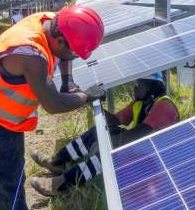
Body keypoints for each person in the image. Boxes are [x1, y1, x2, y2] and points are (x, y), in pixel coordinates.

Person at [0, 5, 106, 210]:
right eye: (73, 52)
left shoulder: (52, 22)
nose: (71, 58)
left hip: (2, 112)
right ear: (60, 40)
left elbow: (63, 55)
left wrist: (67, 82)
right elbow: (54, 104)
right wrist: (85, 96)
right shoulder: (30, 53)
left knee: (13, 170)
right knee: (5, 177)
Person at [29, 72, 180, 197]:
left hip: (157, 163)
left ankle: (61, 184)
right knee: (98, 131)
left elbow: (136, 137)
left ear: (150, 86)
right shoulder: (140, 103)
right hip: (144, 151)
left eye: (138, 84)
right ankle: (57, 161)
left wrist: (107, 143)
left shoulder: (163, 105)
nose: (134, 88)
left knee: (110, 155)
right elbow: (114, 120)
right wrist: (89, 99)